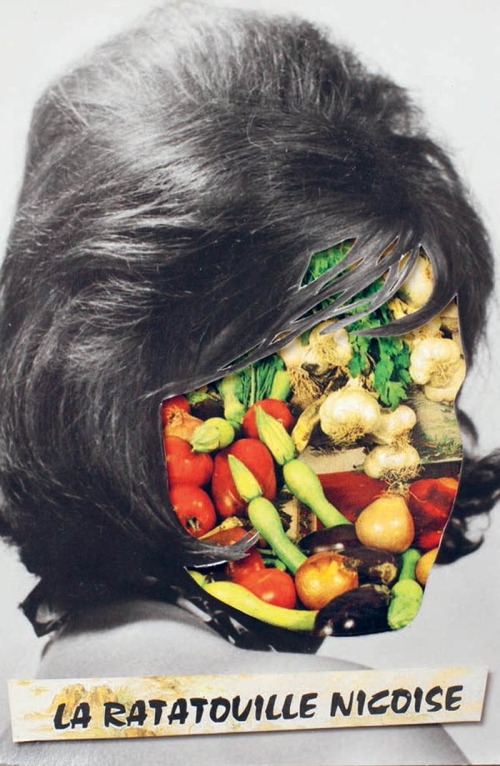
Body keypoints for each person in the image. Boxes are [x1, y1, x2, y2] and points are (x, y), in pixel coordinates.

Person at [0, 2, 496, 763]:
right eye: (336, 377)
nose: (421, 453)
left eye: (431, 382)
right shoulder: (346, 741)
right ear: (130, 391)